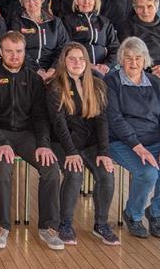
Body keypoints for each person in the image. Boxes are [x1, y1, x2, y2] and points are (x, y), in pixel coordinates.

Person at [0, 32, 63, 250]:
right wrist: (1, 141)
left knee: (51, 169)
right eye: (8, 51)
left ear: (25, 52)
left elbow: (40, 117)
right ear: (0, 52)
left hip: (27, 135)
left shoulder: (34, 79)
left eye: (18, 51)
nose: (14, 56)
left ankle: (48, 227)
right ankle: (1, 226)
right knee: (1, 170)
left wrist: (44, 144)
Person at [105, 37, 160, 239]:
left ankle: (156, 213)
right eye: (128, 57)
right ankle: (133, 214)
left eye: (138, 58)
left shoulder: (155, 82)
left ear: (145, 60)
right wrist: (137, 146)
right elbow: (114, 119)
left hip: (155, 141)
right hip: (121, 141)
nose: (133, 62)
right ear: (121, 59)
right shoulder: (112, 82)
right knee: (148, 173)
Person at [46, 43, 119, 246]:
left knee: (106, 173)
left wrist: (104, 152)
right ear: (64, 61)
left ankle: (101, 224)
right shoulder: (55, 85)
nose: (77, 63)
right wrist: (70, 152)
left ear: (87, 61)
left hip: (90, 144)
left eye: (81, 59)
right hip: (63, 143)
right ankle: (65, 224)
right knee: (74, 173)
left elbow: (102, 121)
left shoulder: (97, 84)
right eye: (71, 58)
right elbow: (58, 123)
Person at [8, 0, 67, 81]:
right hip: (26, 68)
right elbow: (17, 49)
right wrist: (37, 70)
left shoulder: (55, 22)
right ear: (22, 3)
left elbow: (64, 47)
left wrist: (53, 69)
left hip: (53, 70)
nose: (31, 2)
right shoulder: (17, 22)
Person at [117, 0, 160, 80]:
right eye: (140, 7)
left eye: (149, 6)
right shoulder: (126, 28)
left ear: (156, 8)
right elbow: (124, 57)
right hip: (138, 72)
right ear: (135, 9)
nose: (145, 11)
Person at [62, 0, 119, 75]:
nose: (86, 2)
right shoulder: (68, 21)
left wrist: (107, 65)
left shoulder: (105, 22)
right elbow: (66, 48)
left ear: (95, 1)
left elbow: (115, 48)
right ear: (76, 1)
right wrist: (90, 66)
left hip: (104, 69)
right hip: (79, 68)